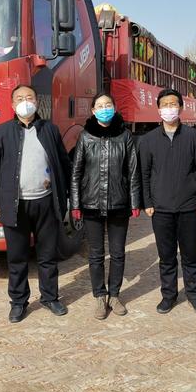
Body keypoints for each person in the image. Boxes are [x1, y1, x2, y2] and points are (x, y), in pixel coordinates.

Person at [0, 85, 71, 323]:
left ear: (37, 102)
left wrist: (67, 194)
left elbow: (64, 163)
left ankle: (50, 297)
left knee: (47, 255)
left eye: (29, 97)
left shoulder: (50, 129)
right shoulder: (2, 132)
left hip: (46, 202)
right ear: (13, 105)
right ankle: (18, 302)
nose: (25, 102)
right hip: (15, 205)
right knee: (17, 257)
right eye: (20, 98)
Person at [71, 93, 141, 320]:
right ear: (93, 111)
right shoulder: (85, 137)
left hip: (119, 203)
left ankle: (115, 295)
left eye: (108, 104)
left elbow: (133, 170)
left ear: (114, 107)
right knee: (96, 254)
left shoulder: (125, 135)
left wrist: (135, 201)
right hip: (91, 203)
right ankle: (100, 296)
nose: (104, 109)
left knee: (118, 253)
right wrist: (76, 203)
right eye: (100, 106)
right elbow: (76, 172)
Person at [139, 88, 196, 315]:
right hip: (161, 209)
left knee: (190, 255)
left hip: (188, 207)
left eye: (173, 104)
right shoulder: (148, 140)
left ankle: (194, 295)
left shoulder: (194, 137)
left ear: (181, 107)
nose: (169, 108)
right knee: (166, 256)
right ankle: (168, 295)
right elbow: (144, 174)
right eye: (165, 105)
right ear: (158, 109)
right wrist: (147, 202)